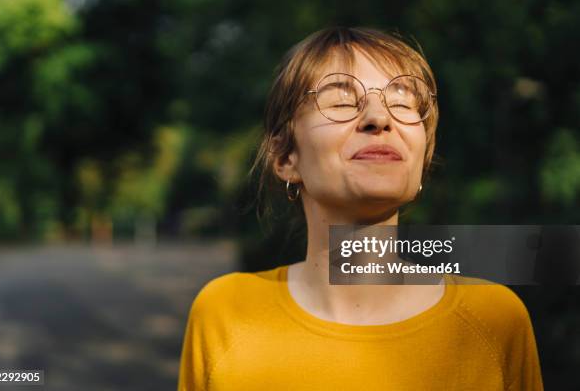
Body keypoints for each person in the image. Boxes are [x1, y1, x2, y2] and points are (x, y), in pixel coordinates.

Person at [178, 27, 543, 390]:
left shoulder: (494, 321)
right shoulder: (226, 313)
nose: (379, 117)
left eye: (401, 102)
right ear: (286, 157)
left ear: (423, 157)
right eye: (340, 101)